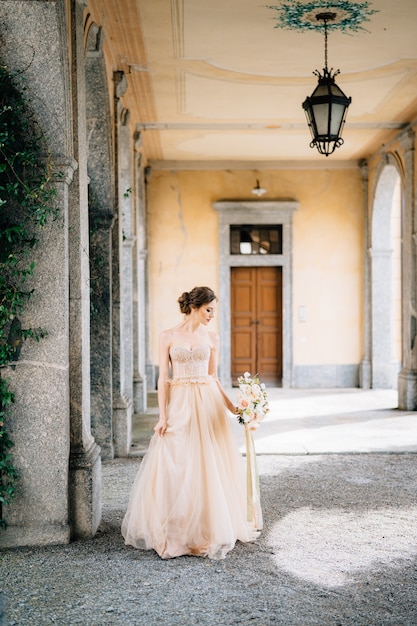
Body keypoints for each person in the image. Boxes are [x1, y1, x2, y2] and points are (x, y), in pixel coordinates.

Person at [121, 286, 261, 559]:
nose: (212, 315)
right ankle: (176, 531)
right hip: (181, 403)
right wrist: (162, 416)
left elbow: (214, 378)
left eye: (213, 310)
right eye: (208, 310)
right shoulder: (168, 336)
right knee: (177, 461)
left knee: (206, 464)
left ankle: (203, 530)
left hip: (207, 405)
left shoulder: (212, 337)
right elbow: (163, 379)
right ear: (195, 307)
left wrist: (236, 410)